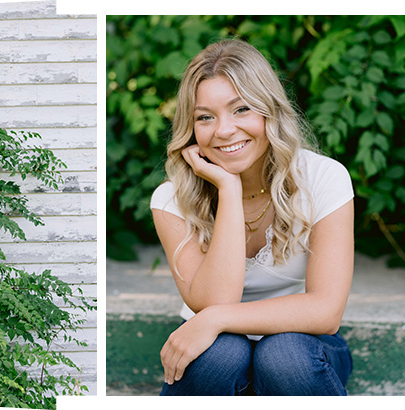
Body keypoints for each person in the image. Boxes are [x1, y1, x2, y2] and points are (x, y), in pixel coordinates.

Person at [149, 39, 354, 395]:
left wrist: (215, 319)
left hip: (305, 351)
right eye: (205, 117)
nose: (224, 130)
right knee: (222, 353)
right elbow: (216, 299)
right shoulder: (171, 199)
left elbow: (326, 310)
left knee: (282, 354)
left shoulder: (324, 178)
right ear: (191, 128)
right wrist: (227, 189)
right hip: (216, 352)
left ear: (269, 110)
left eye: (241, 109)